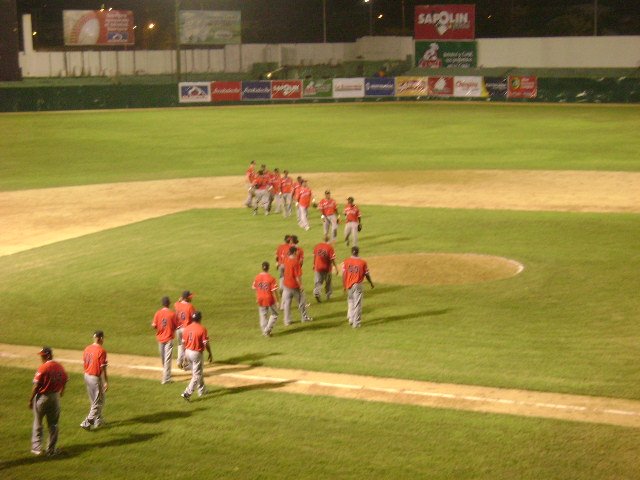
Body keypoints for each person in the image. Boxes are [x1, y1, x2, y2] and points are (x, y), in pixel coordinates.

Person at [29, 347, 68, 456]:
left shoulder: (43, 368)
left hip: (42, 398)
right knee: (53, 424)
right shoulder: (59, 366)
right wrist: (62, 391)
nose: (41, 357)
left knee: (38, 422)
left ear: (48, 355)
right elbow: (65, 379)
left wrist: (31, 400)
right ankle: (51, 449)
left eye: (43, 355)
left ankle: (36, 448)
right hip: (55, 398)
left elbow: (36, 386)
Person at [180, 311, 213, 401]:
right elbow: (206, 343)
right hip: (196, 354)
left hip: (187, 351)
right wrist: (210, 353)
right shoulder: (202, 329)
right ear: (200, 319)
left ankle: (202, 390)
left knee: (199, 371)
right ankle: (187, 393)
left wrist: (184, 355)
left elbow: (183, 343)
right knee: (197, 375)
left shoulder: (186, 328)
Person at [80, 330, 108, 430]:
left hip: (87, 375)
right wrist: (105, 381)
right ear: (100, 338)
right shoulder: (101, 351)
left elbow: (85, 363)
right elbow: (103, 368)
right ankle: (87, 422)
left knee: (94, 400)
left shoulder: (87, 348)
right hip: (95, 378)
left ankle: (98, 420)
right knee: (98, 401)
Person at [342, 246, 374, 328]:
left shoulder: (346, 261)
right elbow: (367, 274)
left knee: (350, 301)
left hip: (348, 284)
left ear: (351, 252)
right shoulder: (362, 262)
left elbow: (344, 274)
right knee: (357, 304)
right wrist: (371, 283)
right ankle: (356, 323)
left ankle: (351, 319)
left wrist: (344, 285)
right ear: (358, 252)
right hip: (357, 285)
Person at [282, 246, 312, 325]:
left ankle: (287, 321)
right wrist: (301, 285)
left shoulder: (286, 259)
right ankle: (304, 318)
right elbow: (297, 276)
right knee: (301, 302)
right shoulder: (295, 262)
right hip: (294, 286)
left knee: (287, 304)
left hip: (286, 284)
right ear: (295, 252)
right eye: (297, 251)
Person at [151, 296, 179, 384]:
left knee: (163, 357)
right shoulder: (172, 314)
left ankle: (166, 375)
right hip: (169, 338)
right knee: (167, 358)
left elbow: (154, 325)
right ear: (169, 303)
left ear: (162, 304)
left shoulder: (158, 313)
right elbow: (176, 326)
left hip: (160, 338)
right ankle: (166, 377)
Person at [252, 261, 280, 336]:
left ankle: (265, 331)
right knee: (274, 314)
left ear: (262, 268)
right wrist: (277, 301)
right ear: (268, 268)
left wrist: (257, 297)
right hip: (269, 299)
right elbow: (274, 291)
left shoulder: (257, 277)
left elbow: (255, 288)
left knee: (263, 315)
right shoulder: (271, 278)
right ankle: (267, 330)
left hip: (260, 298)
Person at [313, 235, 339, 303]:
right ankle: (328, 295)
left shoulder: (317, 246)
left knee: (318, 282)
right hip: (326, 268)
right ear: (329, 239)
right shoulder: (330, 247)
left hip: (317, 267)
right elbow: (332, 259)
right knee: (328, 282)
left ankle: (317, 292)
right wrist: (336, 268)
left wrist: (314, 264)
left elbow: (315, 256)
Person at [174, 291, 196, 370]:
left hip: (178, 329)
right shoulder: (190, 307)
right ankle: (186, 363)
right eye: (190, 297)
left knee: (180, 345)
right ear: (187, 298)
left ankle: (179, 361)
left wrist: (179, 300)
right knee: (187, 346)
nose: (191, 298)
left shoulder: (177, 304)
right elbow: (194, 317)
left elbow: (177, 302)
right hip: (186, 330)